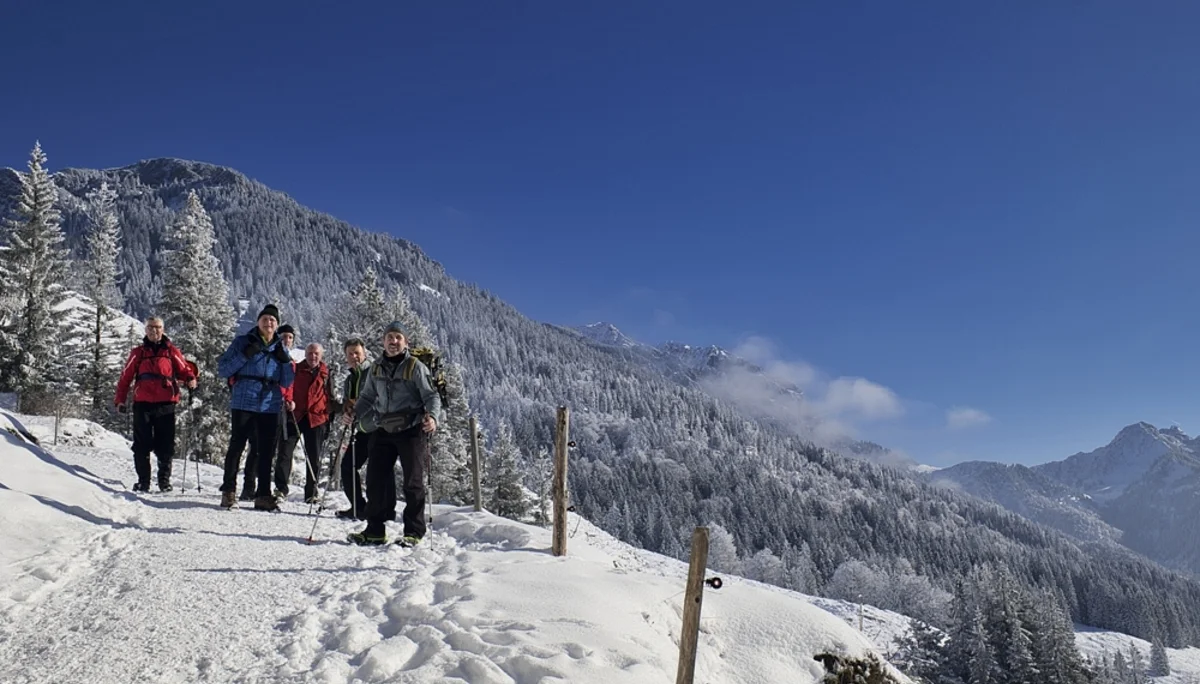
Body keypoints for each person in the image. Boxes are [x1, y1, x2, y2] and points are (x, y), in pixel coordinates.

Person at [349, 322, 443, 546]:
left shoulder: (415, 367)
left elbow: (431, 396)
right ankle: (374, 530)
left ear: (405, 342)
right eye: (389, 337)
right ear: (383, 341)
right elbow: (367, 397)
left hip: (411, 428)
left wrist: (433, 418)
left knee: (413, 482)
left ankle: (414, 532)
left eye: (398, 337)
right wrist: (354, 413)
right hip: (383, 428)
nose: (393, 341)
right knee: (375, 480)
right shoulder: (376, 368)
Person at [216, 304, 295, 510]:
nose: (269, 323)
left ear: (276, 325)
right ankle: (229, 491)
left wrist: (285, 361)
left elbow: (287, 382)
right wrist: (245, 355)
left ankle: (263, 495)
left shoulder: (280, 348)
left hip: (269, 404)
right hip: (244, 400)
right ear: (258, 321)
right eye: (265, 319)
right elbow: (223, 369)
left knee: (266, 451)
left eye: (273, 320)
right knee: (237, 446)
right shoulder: (243, 342)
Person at [113, 316, 198, 492]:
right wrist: (120, 400)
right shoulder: (138, 353)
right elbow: (126, 377)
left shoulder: (171, 351)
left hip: (166, 403)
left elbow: (184, 369)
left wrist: (190, 378)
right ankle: (143, 481)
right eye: (151, 327)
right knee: (141, 444)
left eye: (158, 327)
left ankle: (164, 481)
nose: (154, 330)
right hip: (142, 403)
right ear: (146, 330)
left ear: (163, 329)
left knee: (165, 444)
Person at [238, 322, 296, 500]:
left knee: (273, 451)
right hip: (263, 405)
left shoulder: (290, 362)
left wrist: (289, 399)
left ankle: (273, 489)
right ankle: (249, 487)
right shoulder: (271, 355)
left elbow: (290, 384)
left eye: (290, 337)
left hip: (280, 409)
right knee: (256, 447)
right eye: (284, 336)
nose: (286, 340)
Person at [274, 342, 334, 502]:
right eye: (310, 353)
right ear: (305, 354)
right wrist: (288, 401)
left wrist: (329, 418)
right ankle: (280, 489)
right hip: (295, 415)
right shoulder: (295, 369)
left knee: (313, 456)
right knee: (285, 452)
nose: (312, 356)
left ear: (321, 356)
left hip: (317, 418)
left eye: (316, 353)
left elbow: (330, 396)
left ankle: (311, 493)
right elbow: (287, 388)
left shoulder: (326, 373)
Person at [336, 337, 372, 520]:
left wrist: (356, 408)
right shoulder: (350, 379)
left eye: (357, 353)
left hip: (376, 428)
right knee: (347, 466)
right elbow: (347, 403)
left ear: (364, 353)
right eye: (350, 354)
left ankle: (376, 511)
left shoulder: (373, 373)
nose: (354, 357)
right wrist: (347, 413)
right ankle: (358, 507)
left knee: (376, 471)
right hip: (360, 429)